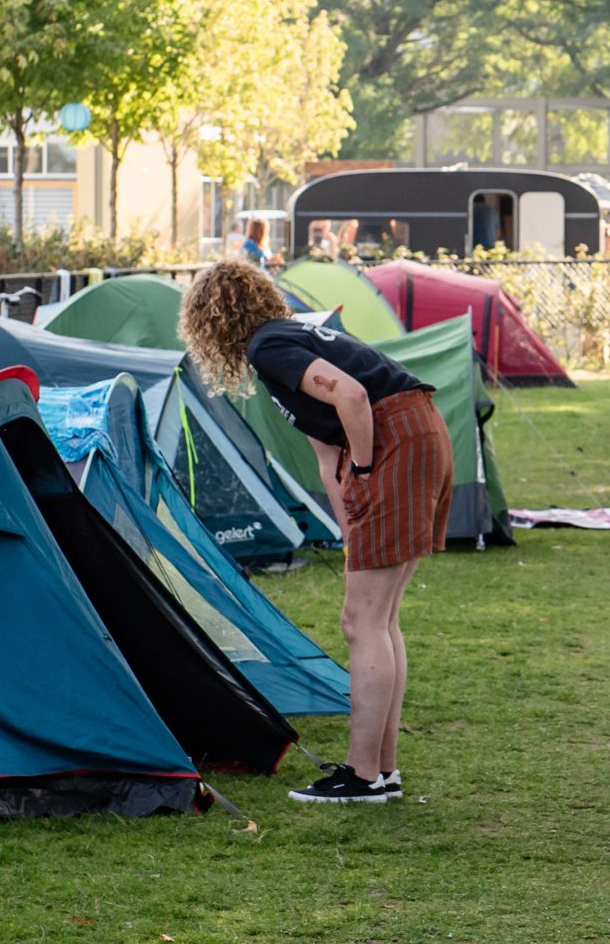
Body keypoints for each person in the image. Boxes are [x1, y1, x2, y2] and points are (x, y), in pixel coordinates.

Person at [179, 261, 451, 806]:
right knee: (380, 618)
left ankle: (362, 775)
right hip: (419, 430)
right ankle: (381, 771)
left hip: (394, 437)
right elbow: (329, 459)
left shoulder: (268, 345)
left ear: (213, 319)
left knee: (361, 621)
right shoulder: (291, 340)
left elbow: (351, 397)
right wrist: (352, 529)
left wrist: (370, 471)